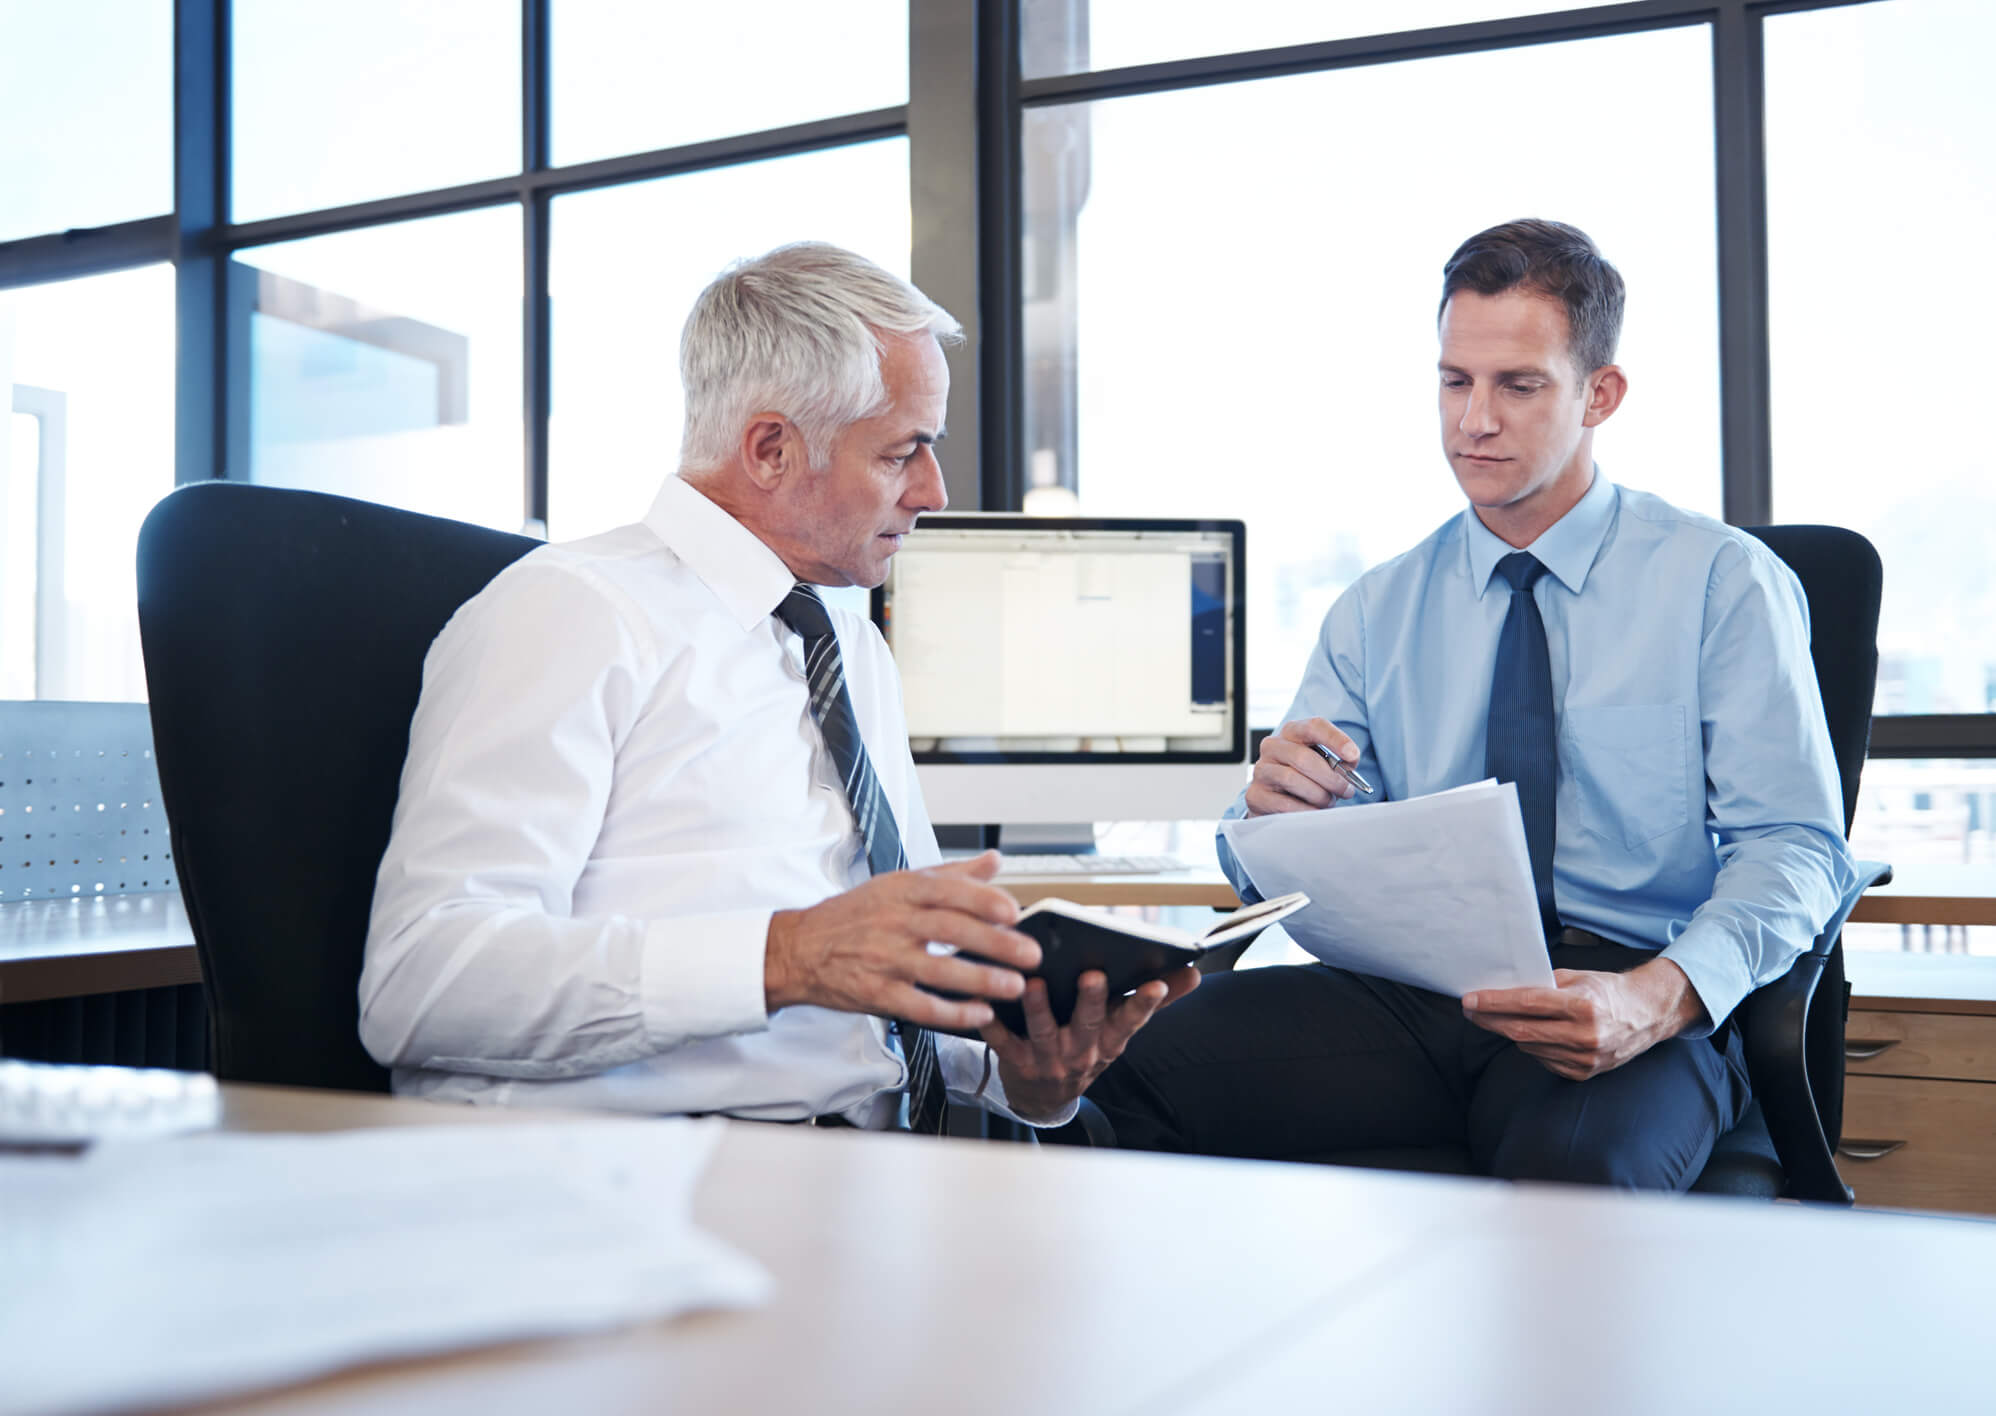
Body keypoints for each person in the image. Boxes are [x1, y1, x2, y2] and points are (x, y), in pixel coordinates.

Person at [1080, 219, 1859, 1188]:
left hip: (1619, 987)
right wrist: (1270, 814)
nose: (1471, 421)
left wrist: (1656, 999)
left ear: (1598, 394)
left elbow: (1795, 846)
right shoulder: (1377, 606)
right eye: (1453, 382)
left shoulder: (1720, 583)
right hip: (1413, 993)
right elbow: (1283, 856)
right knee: (1114, 1077)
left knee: (1566, 1187)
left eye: (1516, 386)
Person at [359, 242, 1196, 1128]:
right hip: (652, 1174)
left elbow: (883, 987)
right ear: (769, 449)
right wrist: (785, 956)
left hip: (885, 1158)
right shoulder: (571, 612)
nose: (934, 491)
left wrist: (1020, 1078)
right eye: (901, 452)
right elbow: (423, 983)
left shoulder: (847, 642)